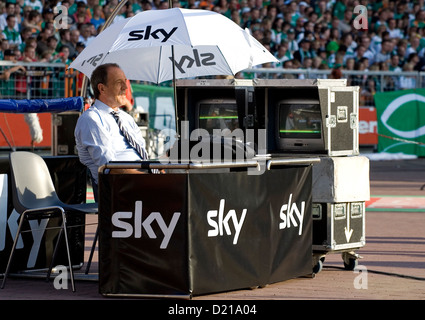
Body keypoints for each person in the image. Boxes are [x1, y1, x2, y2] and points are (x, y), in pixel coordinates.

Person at [74, 63, 150, 201]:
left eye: (125, 82)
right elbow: (109, 167)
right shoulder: (91, 119)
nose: (125, 88)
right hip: (118, 188)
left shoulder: (126, 118)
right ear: (102, 88)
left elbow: (144, 156)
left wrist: (162, 168)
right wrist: (150, 180)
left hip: (140, 180)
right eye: (119, 83)